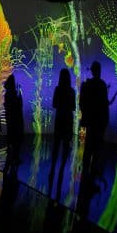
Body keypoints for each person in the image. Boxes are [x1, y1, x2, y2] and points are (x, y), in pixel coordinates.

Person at [79, 60, 115, 181]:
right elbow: (104, 104)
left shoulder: (87, 85)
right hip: (99, 121)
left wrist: (84, 117)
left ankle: (85, 174)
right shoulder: (101, 84)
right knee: (96, 147)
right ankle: (92, 174)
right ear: (99, 71)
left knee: (88, 145)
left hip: (90, 120)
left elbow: (82, 102)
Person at [48, 67, 76, 197]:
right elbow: (73, 107)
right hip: (68, 119)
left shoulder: (57, 89)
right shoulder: (71, 91)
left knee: (57, 142)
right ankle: (62, 167)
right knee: (65, 144)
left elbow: (54, 104)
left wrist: (61, 105)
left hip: (59, 119)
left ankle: (53, 166)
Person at [3, 74, 23, 177]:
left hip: (10, 119)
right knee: (16, 139)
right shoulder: (15, 94)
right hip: (16, 119)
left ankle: (10, 157)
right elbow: (20, 105)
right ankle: (15, 158)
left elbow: (7, 106)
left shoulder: (7, 94)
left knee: (11, 137)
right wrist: (20, 93)